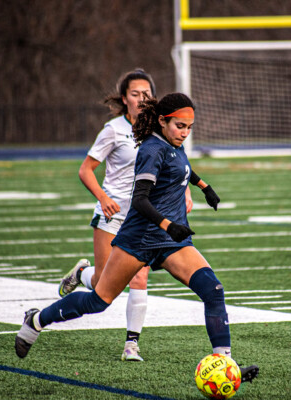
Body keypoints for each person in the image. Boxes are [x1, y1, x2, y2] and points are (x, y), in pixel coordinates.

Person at [15, 92, 259, 384]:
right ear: (162, 121)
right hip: (140, 238)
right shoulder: (151, 150)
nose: (185, 132)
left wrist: (205, 187)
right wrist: (169, 225)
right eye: (180, 126)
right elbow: (141, 200)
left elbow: (182, 167)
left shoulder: (173, 144)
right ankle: (37, 320)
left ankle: (226, 364)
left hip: (171, 242)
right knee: (100, 300)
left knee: (213, 290)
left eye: (190, 127)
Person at [56, 69, 193, 362]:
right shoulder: (113, 130)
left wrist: (185, 192)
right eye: (135, 94)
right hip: (113, 215)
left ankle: (132, 344)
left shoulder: (161, 130)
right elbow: (85, 169)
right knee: (107, 286)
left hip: (144, 220)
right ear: (124, 98)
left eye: (146, 94)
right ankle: (82, 273)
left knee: (140, 278)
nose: (141, 99)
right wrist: (103, 198)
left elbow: (175, 167)